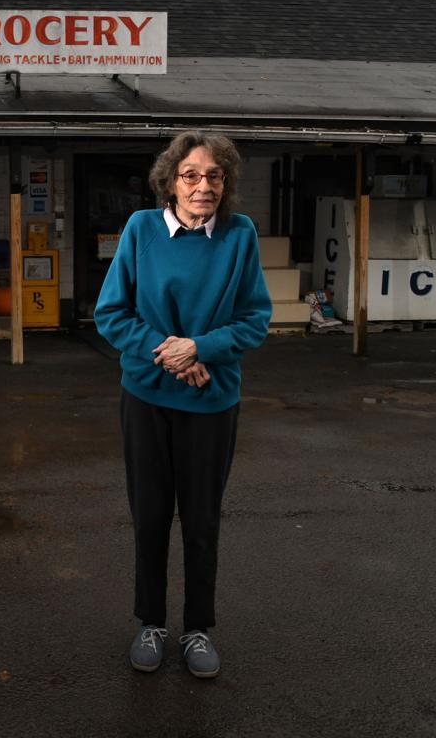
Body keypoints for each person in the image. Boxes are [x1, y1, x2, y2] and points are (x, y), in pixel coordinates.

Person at [94, 131, 272, 678]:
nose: (203, 186)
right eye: (191, 175)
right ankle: (151, 621)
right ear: (170, 182)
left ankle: (198, 629)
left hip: (212, 401)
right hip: (147, 397)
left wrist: (200, 348)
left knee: (200, 521)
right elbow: (111, 313)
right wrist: (172, 354)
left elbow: (255, 320)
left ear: (226, 183)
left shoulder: (240, 235)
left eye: (214, 175)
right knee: (150, 517)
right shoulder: (141, 229)